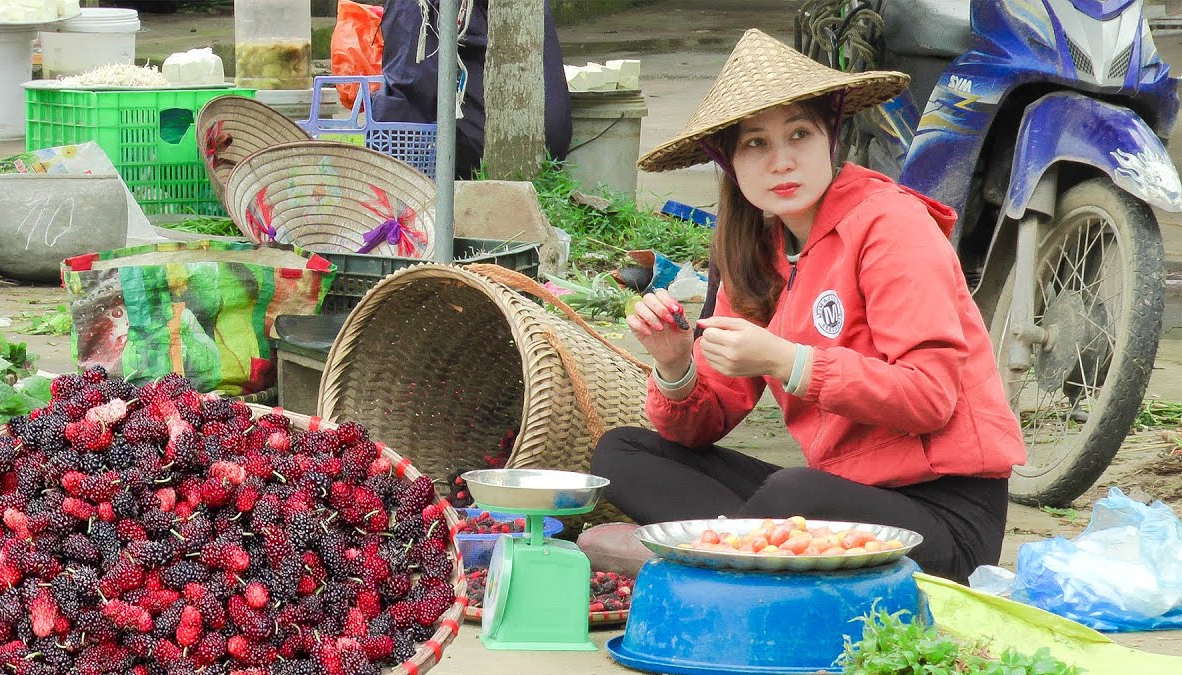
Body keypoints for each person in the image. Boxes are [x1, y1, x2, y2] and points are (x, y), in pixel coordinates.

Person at [589, 28, 1026, 584]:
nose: (782, 162)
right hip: (840, 497)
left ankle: (710, 557)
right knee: (621, 454)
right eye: (756, 144)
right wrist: (676, 367)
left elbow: (931, 397)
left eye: (799, 134)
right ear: (728, 162)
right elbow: (701, 427)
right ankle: (737, 553)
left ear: (831, 139)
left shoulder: (891, 226)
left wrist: (788, 361)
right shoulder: (754, 254)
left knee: (796, 493)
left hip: (942, 520)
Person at [370, 0, 572, 179]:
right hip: (551, 147)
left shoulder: (417, 5)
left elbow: (412, 88)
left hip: (482, 154)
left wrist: (374, 103)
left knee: (397, 116)